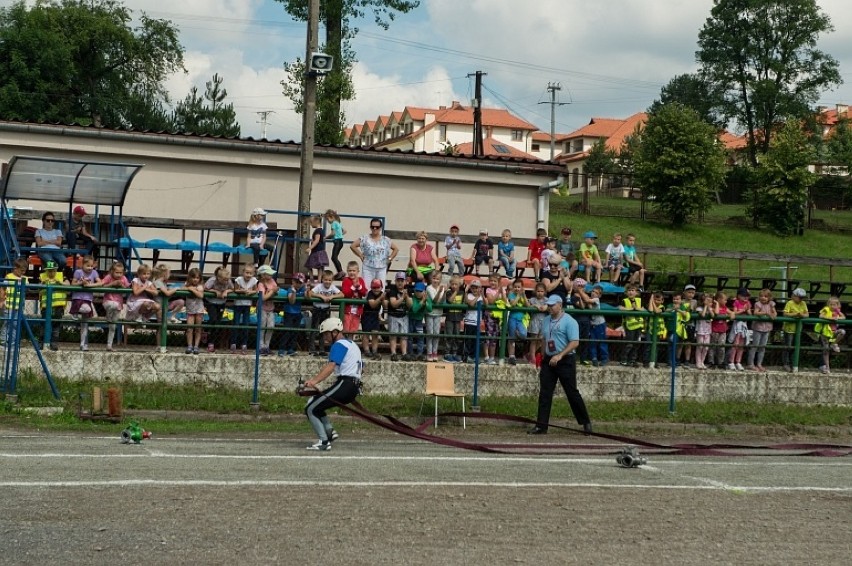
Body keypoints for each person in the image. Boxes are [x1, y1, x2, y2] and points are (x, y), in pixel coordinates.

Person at [528, 294, 592, 435]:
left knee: (571, 392)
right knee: (545, 393)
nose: (550, 307)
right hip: (549, 359)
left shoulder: (570, 321)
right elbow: (544, 338)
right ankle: (541, 425)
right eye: (549, 305)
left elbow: (574, 342)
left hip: (565, 360)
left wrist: (560, 355)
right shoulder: (545, 321)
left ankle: (585, 422)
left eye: (552, 305)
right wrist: (542, 355)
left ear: (560, 305)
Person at [303, 317, 363, 451]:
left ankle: (324, 442)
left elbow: (330, 367)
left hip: (346, 384)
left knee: (310, 408)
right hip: (352, 385)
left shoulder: (339, 345)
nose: (324, 337)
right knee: (314, 402)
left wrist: (314, 381)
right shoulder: (352, 345)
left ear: (335, 332)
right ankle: (329, 432)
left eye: (326, 333)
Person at [350, 217, 398, 286]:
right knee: (367, 288)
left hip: (381, 268)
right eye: (373, 227)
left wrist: (390, 258)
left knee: (380, 288)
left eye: (377, 227)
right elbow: (353, 246)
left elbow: (396, 249)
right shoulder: (365, 238)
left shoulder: (386, 240)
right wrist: (360, 255)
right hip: (368, 268)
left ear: (380, 228)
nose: (375, 228)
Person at [306, 270, 344, 355]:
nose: (327, 282)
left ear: (332, 281)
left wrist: (332, 296)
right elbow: (311, 293)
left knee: (325, 330)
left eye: (330, 280)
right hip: (317, 309)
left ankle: (322, 349)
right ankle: (312, 349)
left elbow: (342, 294)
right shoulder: (319, 287)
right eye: (326, 280)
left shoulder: (332, 287)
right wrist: (320, 296)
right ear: (322, 279)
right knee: (314, 329)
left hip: (325, 310)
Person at [70, 255, 101, 351]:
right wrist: (81, 283)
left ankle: (83, 344)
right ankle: (75, 311)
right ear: (82, 265)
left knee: (85, 323)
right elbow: (73, 284)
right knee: (86, 309)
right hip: (78, 298)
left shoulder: (94, 273)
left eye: (91, 266)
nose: (90, 268)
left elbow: (100, 283)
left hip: (88, 299)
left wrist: (90, 285)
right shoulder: (78, 272)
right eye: (88, 266)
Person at [38, 259, 68, 351]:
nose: (51, 273)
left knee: (56, 325)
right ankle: (41, 343)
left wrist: (61, 283)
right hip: (46, 306)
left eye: (53, 270)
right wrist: (43, 283)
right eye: (49, 271)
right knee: (44, 325)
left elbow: (68, 285)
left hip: (58, 306)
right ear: (46, 270)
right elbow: (38, 287)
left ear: (56, 269)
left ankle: (54, 343)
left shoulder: (62, 276)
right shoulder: (42, 277)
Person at [100, 261, 130, 352]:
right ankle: (108, 316)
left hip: (118, 305)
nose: (119, 275)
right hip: (108, 301)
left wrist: (122, 286)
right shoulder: (108, 277)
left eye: (121, 273)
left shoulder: (123, 278)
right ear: (112, 272)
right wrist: (112, 284)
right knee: (112, 305)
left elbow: (127, 290)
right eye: (117, 272)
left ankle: (109, 345)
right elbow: (102, 286)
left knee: (113, 327)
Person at [203, 266, 234, 353]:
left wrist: (226, 291)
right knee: (213, 319)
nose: (226, 282)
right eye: (224, 280)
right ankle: (207, 334)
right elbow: (205, 288)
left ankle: (212, 342)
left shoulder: (228, 281)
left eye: (227, 280)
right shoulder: (212, 280)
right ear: (219, 278)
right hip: (211, 302)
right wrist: (214, 291)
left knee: (218, 322)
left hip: (221, 303)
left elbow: (232, 288)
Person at [577, 284, 608, 367]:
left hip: (600, 324)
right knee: (592, 342)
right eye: (592, 291)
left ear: (599, 295)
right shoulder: (589, 299)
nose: (593, 293)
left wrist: (580, 291)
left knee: (602, 342)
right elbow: (584, 305)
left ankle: (604, 358)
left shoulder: (596, 300)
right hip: (593, 325)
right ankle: (594, 358)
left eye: (596, 292)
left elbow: (587, 301)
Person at [746, 288, 776, 372]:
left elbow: (774, 312)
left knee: (762, 347)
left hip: (767, 328)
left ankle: (759, 364)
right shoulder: (758, 304)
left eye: (766, 296)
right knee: (755, 345)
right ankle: (750, 363)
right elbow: (756, 312)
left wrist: (773, 314)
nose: (763, 298)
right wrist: (766, 313)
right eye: (761, 296)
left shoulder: (771, 304)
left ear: (769, 297)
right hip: (758, 328)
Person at [231, 264, 258, 354]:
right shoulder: (238, 280)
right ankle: (233, 343)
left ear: (253, 274)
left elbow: (255, 290)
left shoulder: (254, 281)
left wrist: (251, 292)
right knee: (236, 323)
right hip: (238, 304)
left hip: (247, 305)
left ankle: (244, 344)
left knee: (246, 324)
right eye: (247, 272)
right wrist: (243, 291)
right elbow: (235, 290)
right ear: (243, 272)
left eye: (250, 273)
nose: (248, 275)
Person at [2, 258, 29, 347]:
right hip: (9, 306)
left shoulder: (25, 278)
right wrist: (1, 300)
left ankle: (12, 342)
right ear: (15, 268)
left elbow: (27, 289)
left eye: (24, 271)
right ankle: (3, 340)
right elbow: (3, 289)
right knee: (7, 323)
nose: (23, 273)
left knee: (15, 324)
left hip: (19, 306)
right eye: (21, 271)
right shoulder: (9, 277)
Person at [815, 296, 846, 374]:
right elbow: (821, 316)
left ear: (837, 305)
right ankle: (827, 367)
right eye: (831, 304)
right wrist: (830, 318)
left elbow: (844, 317)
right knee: (826, 350)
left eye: (834, 305)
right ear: (828, 304)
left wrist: (837, 318)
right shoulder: (826, 309)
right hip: (825, 333)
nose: (832, 306)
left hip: (833, 332)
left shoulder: (837, 311)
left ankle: (834, 343)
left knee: (842, 332)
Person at [782, 287, 809, 372]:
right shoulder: (789, 303)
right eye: (800, 297)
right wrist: (795, 314)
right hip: (789, 329)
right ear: (794, 296)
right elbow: (785, 314)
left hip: (798, 329)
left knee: (795, 347)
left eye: (802, 298)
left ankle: (793, 363)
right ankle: (786, 363)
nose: (801, 299)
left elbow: (807, 314)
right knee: (788, 347)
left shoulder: (803, 303)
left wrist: (801, 315)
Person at [384, 271, 410, 361]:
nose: (400, 282)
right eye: (398, 280)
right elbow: (394, 304)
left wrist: (407, 298)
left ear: (405, 281)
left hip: (404, 316)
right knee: (393, 336)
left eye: (402, 280)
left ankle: (404, 353)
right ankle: (393, 353)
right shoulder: (392, 290)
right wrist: (402, 298)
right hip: (393, 315)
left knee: (403, 336)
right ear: (395, 281)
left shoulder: (407, 290)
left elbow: (410, 305)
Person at [280, 273, 307, 357]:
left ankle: (291, 349)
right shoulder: (290, 289)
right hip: (289, 313)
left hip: (297, 313)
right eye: (296, 282)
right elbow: (292, 301)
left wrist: (307, 289)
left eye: (300, 282)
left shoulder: (303, 289)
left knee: (295, 332)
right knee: (287, 331)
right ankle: (282, 348)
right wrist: (294, 292)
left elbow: (307, 297)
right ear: (293, 281)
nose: (298, 284)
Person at [619, 284, 645, 367]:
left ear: (636, 292)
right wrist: (630, 309)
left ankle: (632, 360)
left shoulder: (639, 300)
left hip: (638, 326)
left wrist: (636, 308)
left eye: (633, 290)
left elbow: (643, 309)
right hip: (629, 326)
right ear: (626, 292)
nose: (631, 292)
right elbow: (620, 308)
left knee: (636, 344)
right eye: (629, 290)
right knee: (629, 343)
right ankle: (624, 359)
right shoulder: (624, 300)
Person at [182, 268, 205, 354]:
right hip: (190, 310)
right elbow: (182, 288)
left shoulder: (200, 286)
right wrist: (187, 287)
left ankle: (196, 346)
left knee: (198, 328)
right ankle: (189, 346)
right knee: (189, 328)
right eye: (193, 277)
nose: (195, 279)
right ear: (190, 278)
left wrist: (191, 289)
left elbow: (201, 295)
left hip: (199, 310)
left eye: (197, 278)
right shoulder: (187, 284)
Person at [727, 288, 751, 371]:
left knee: (741, 345)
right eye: (743, 296)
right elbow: (735, 312)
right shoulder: (736, 302)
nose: (745, 298)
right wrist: (742, 310)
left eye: (747, 296)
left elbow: (750, 314)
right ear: (739, 296)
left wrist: (747, 310)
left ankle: (738, 362)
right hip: (737, 325)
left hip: (744, 325)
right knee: (735, 344)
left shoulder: (748, 303)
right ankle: (731, 362)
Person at [442, 274, 465, 362]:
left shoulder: (462, 293)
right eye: (453, 284)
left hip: (458, 318)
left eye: (456, 284)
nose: (454, 286)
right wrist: (455, 292)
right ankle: (447, 353)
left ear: (459, 285)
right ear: (450, 284)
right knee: (449, 335)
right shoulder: (448, 292)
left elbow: (464, 302)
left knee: (456, 335)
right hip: (449, 317)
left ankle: (454, 353)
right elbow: (450, 301)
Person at [256, 265, 279, 356]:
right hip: (262, 308)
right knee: (262, 327)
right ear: (263, 275)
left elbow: (276, 289)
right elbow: (263, 297)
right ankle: (261, 347)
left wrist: (273, 291)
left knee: (270, 326)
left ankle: (267, 346)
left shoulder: (272, 281)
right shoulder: (260, 284)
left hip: (271, 308)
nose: (271, 275)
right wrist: (272, 291)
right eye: (268, 273)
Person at [361, 278, 385, 360]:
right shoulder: (370, 294)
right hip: (367, 316)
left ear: (381, 287)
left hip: (375, 316)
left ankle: (374, 351)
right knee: (366, 334)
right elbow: (372, 304)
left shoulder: (382, 294)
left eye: (378, 287)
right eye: (374, 287)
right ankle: (366, 350)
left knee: (375, 334)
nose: (376, 289)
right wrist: (381, 298)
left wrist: (384, 299)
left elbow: (385, 305)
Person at [505, 278, 528, 365]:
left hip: (520, 320)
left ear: (522, 288)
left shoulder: (522, 295)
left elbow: (527, 305)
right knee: (511, 338)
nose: (517, 289)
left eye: (519, 287)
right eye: (515, 287)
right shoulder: (511, 294)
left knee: (523, 335)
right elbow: (512, 304)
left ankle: (516, 333)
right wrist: (518, 296)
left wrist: (524, 296)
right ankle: (511, 356)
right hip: (512, 319)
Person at [408, 281, 433, 361]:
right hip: (411, 319)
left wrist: (425, 303)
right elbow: (414, 309)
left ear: (424, 292)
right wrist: (422, 302)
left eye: (420, 291)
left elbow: (430, 309)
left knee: (420, 337)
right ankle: (410, 353)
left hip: (419, 321)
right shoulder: (413, 298)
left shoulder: (426, 298)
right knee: (409, 337)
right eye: (416, 291)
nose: (418, 293)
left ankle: (420, 354)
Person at [341, 261, 367, 334]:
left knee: (353, 331)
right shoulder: (346, 280)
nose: (352, 272)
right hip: (347, 310)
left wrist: (359, 287)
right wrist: (353, 287)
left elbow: (364, 292)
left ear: (358, 271)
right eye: (350, 271)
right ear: (347, 271)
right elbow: (346, 294)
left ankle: (351, 343)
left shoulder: (361, 280)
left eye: (353, 271)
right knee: (346, 330)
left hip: (357, 311)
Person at [425, 273, 446, 362]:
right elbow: (435, 300)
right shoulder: (429, 288)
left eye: (437, 279)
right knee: (430, 333)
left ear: (440, 280)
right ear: (431, 279)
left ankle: (435, 352)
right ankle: (429, 353)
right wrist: (440, 291)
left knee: (436, 334)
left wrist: (444, 292)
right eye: (434, 278)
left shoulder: (442, 288)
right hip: (430, 313)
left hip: (438, 313)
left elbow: (441, 301)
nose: (435, 280)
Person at [526, 282, 549, 367]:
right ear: (535, 291)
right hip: (534, 321)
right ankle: (532, 357)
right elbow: (528, 305)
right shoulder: (532, 300)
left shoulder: (547, 300)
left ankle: (537, 356)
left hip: (544, 322)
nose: (540, 293)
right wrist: (535, 306)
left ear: (545, 292)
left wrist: (546, 307)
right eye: (538, 291)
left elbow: (550, 306)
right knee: (533, 340)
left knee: (541, 340)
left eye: (542, 291)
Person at [304, 214, 330, 284]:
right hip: (317, 250)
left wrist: (310, 247)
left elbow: (317, 240)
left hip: (317, 251)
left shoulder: (318, 231)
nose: (310, 224)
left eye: (311, 222)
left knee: (315, 265)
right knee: (314, 265)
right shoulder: (321, 230)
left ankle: (317, 279)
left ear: (316, 221)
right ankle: (315, 278)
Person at [709, 291, 731, 369]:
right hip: (715, 330)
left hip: (723, 330)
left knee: (721, 346)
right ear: (718, 299)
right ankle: (712, 361)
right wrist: (717, 304)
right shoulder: (713, 306)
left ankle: (720, 362)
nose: (726, 301)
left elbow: (731, 313)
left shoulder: (725, 308)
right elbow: (717, 313)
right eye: (724, 300)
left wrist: (731, 315)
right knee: (713, 346)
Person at [694, 292, 715, 369]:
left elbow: (713, 315)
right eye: (708, 301)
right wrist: (706, 306)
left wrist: (709, 308)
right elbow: (702, 315)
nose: (710, 303)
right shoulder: (699, 308)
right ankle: (698, 362)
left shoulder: (710, 309)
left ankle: (702, 361)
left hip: (708, 331)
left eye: (710, 301)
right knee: (700, 346)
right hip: (700, 330)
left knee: (706, 347)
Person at [324, 209, 346, 278]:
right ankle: (340, 271)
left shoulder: (333, 223)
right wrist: (340, 235)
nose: (328, 221)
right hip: (340, 242)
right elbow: (345, 231)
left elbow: (332, 233)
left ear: (332, 217)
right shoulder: (338, 223)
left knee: (334, 257)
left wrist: (325, 238)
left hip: (337, 242)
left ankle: (341, 272)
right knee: (334, 257)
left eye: (328, 219)